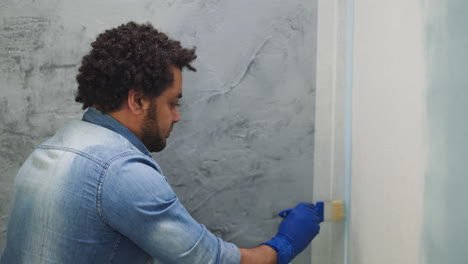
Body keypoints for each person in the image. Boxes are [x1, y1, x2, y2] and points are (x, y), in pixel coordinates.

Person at [0, 22, 320, 264]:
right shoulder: (120, 170)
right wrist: (283, 245)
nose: (177, 117)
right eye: (172, 103)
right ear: (138, 100)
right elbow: (210, 261)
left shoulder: (52, 148)